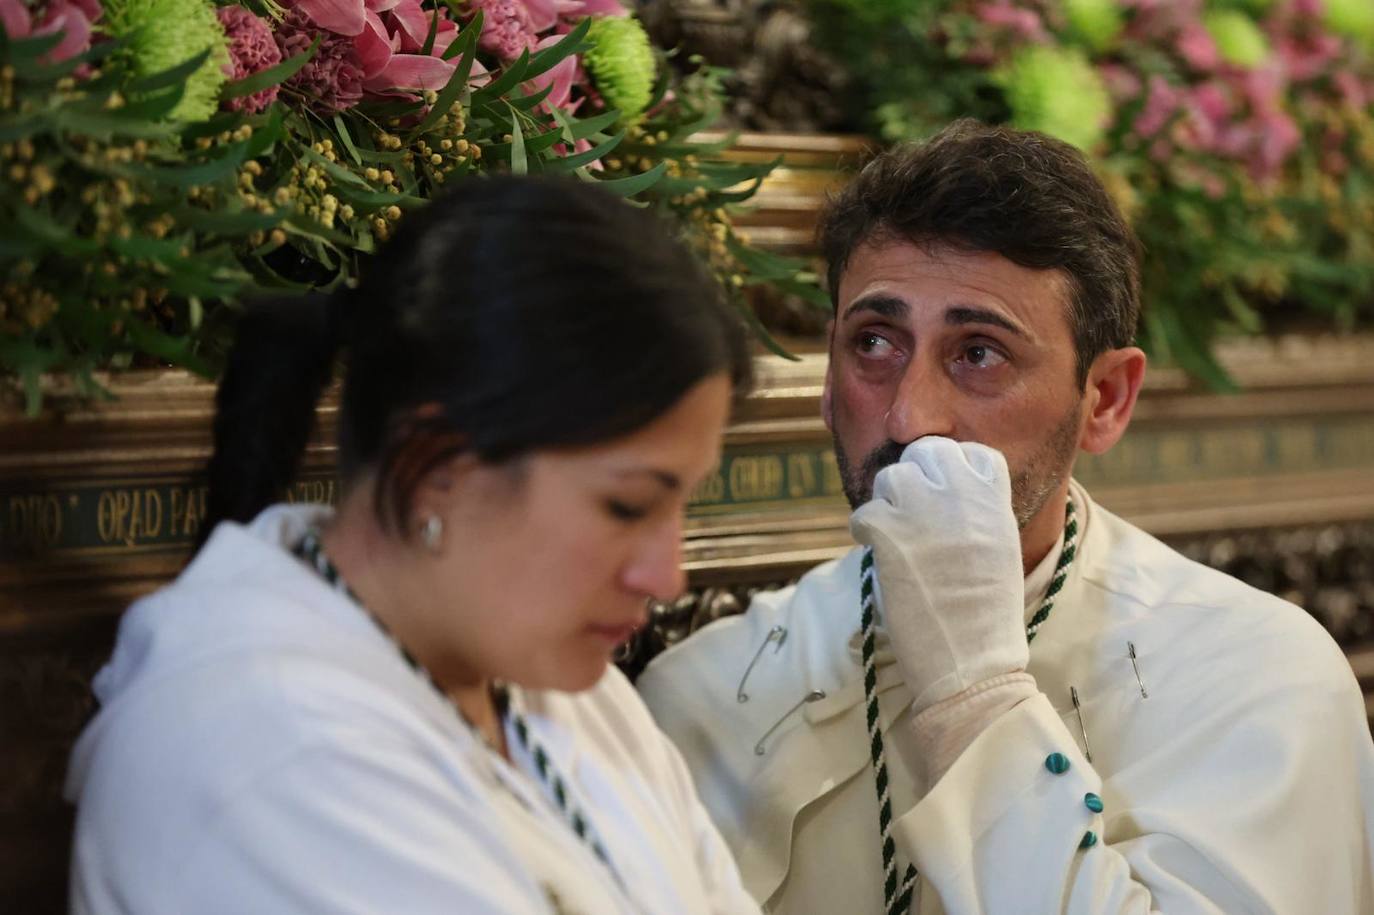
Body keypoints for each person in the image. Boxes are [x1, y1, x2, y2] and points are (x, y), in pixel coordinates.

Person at [637, 120, 1374, 914]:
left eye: (979, 352)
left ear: (1106, 399)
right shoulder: (703, 692)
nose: (910, 416)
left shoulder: (1259, 678)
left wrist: (974, 693)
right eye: (875, 342)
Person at [66, 175, 763, 914]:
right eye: (628, 506)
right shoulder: (267, 747)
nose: (669, 574)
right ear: (432, 468)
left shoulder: (563, 691)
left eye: (684, 503)